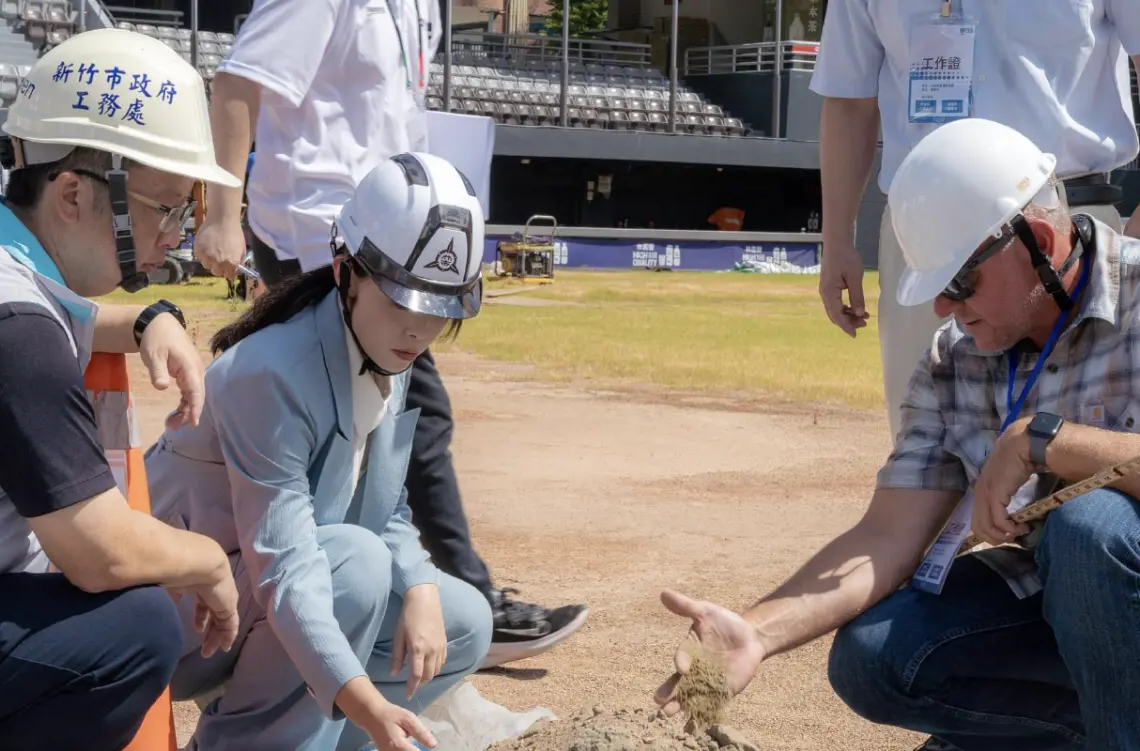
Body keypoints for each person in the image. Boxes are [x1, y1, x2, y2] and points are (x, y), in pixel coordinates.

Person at [654, 118, 1140, 751]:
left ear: (1040, 242)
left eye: (957, 282)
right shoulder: (954, 356)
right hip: (1069, 609)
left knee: (1089, 527)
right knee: (876, 656)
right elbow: (888, 534)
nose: (943, 307)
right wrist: (756, 633)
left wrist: (1043, 440)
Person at [192, 0, 589, 667]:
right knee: (404, 420)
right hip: (325, 237)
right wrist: (223, 215)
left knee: (381, 430)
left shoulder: (420, 6)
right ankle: (433, 595)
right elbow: (238, 82)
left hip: (400, 238)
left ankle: (378, 597)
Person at [0, 28, 242, 750]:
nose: (174, 236)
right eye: (165, 207)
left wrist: (147, 317)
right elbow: (99, 550)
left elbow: (58, 322)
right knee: (135, 628)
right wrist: (207, 561)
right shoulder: (10, 329)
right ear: (73, 193)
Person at [146, 152, 494, 751]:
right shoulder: (272, 374)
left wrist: (420, 586)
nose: (418, 330)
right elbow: (285, 564)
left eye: (437, 309)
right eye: (401, 302)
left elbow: (384, 504)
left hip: (256, 600)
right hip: (177, 623)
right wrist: (366, 701)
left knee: (463, 621)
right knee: (355, 567)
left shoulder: (386, 348)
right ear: (345, 272)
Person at [810, 0, 1140, 441]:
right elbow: (849, 100)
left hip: (1064, 220)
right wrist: (836, 239)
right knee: (927, 438)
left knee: (1092, 443)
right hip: (924, 238)